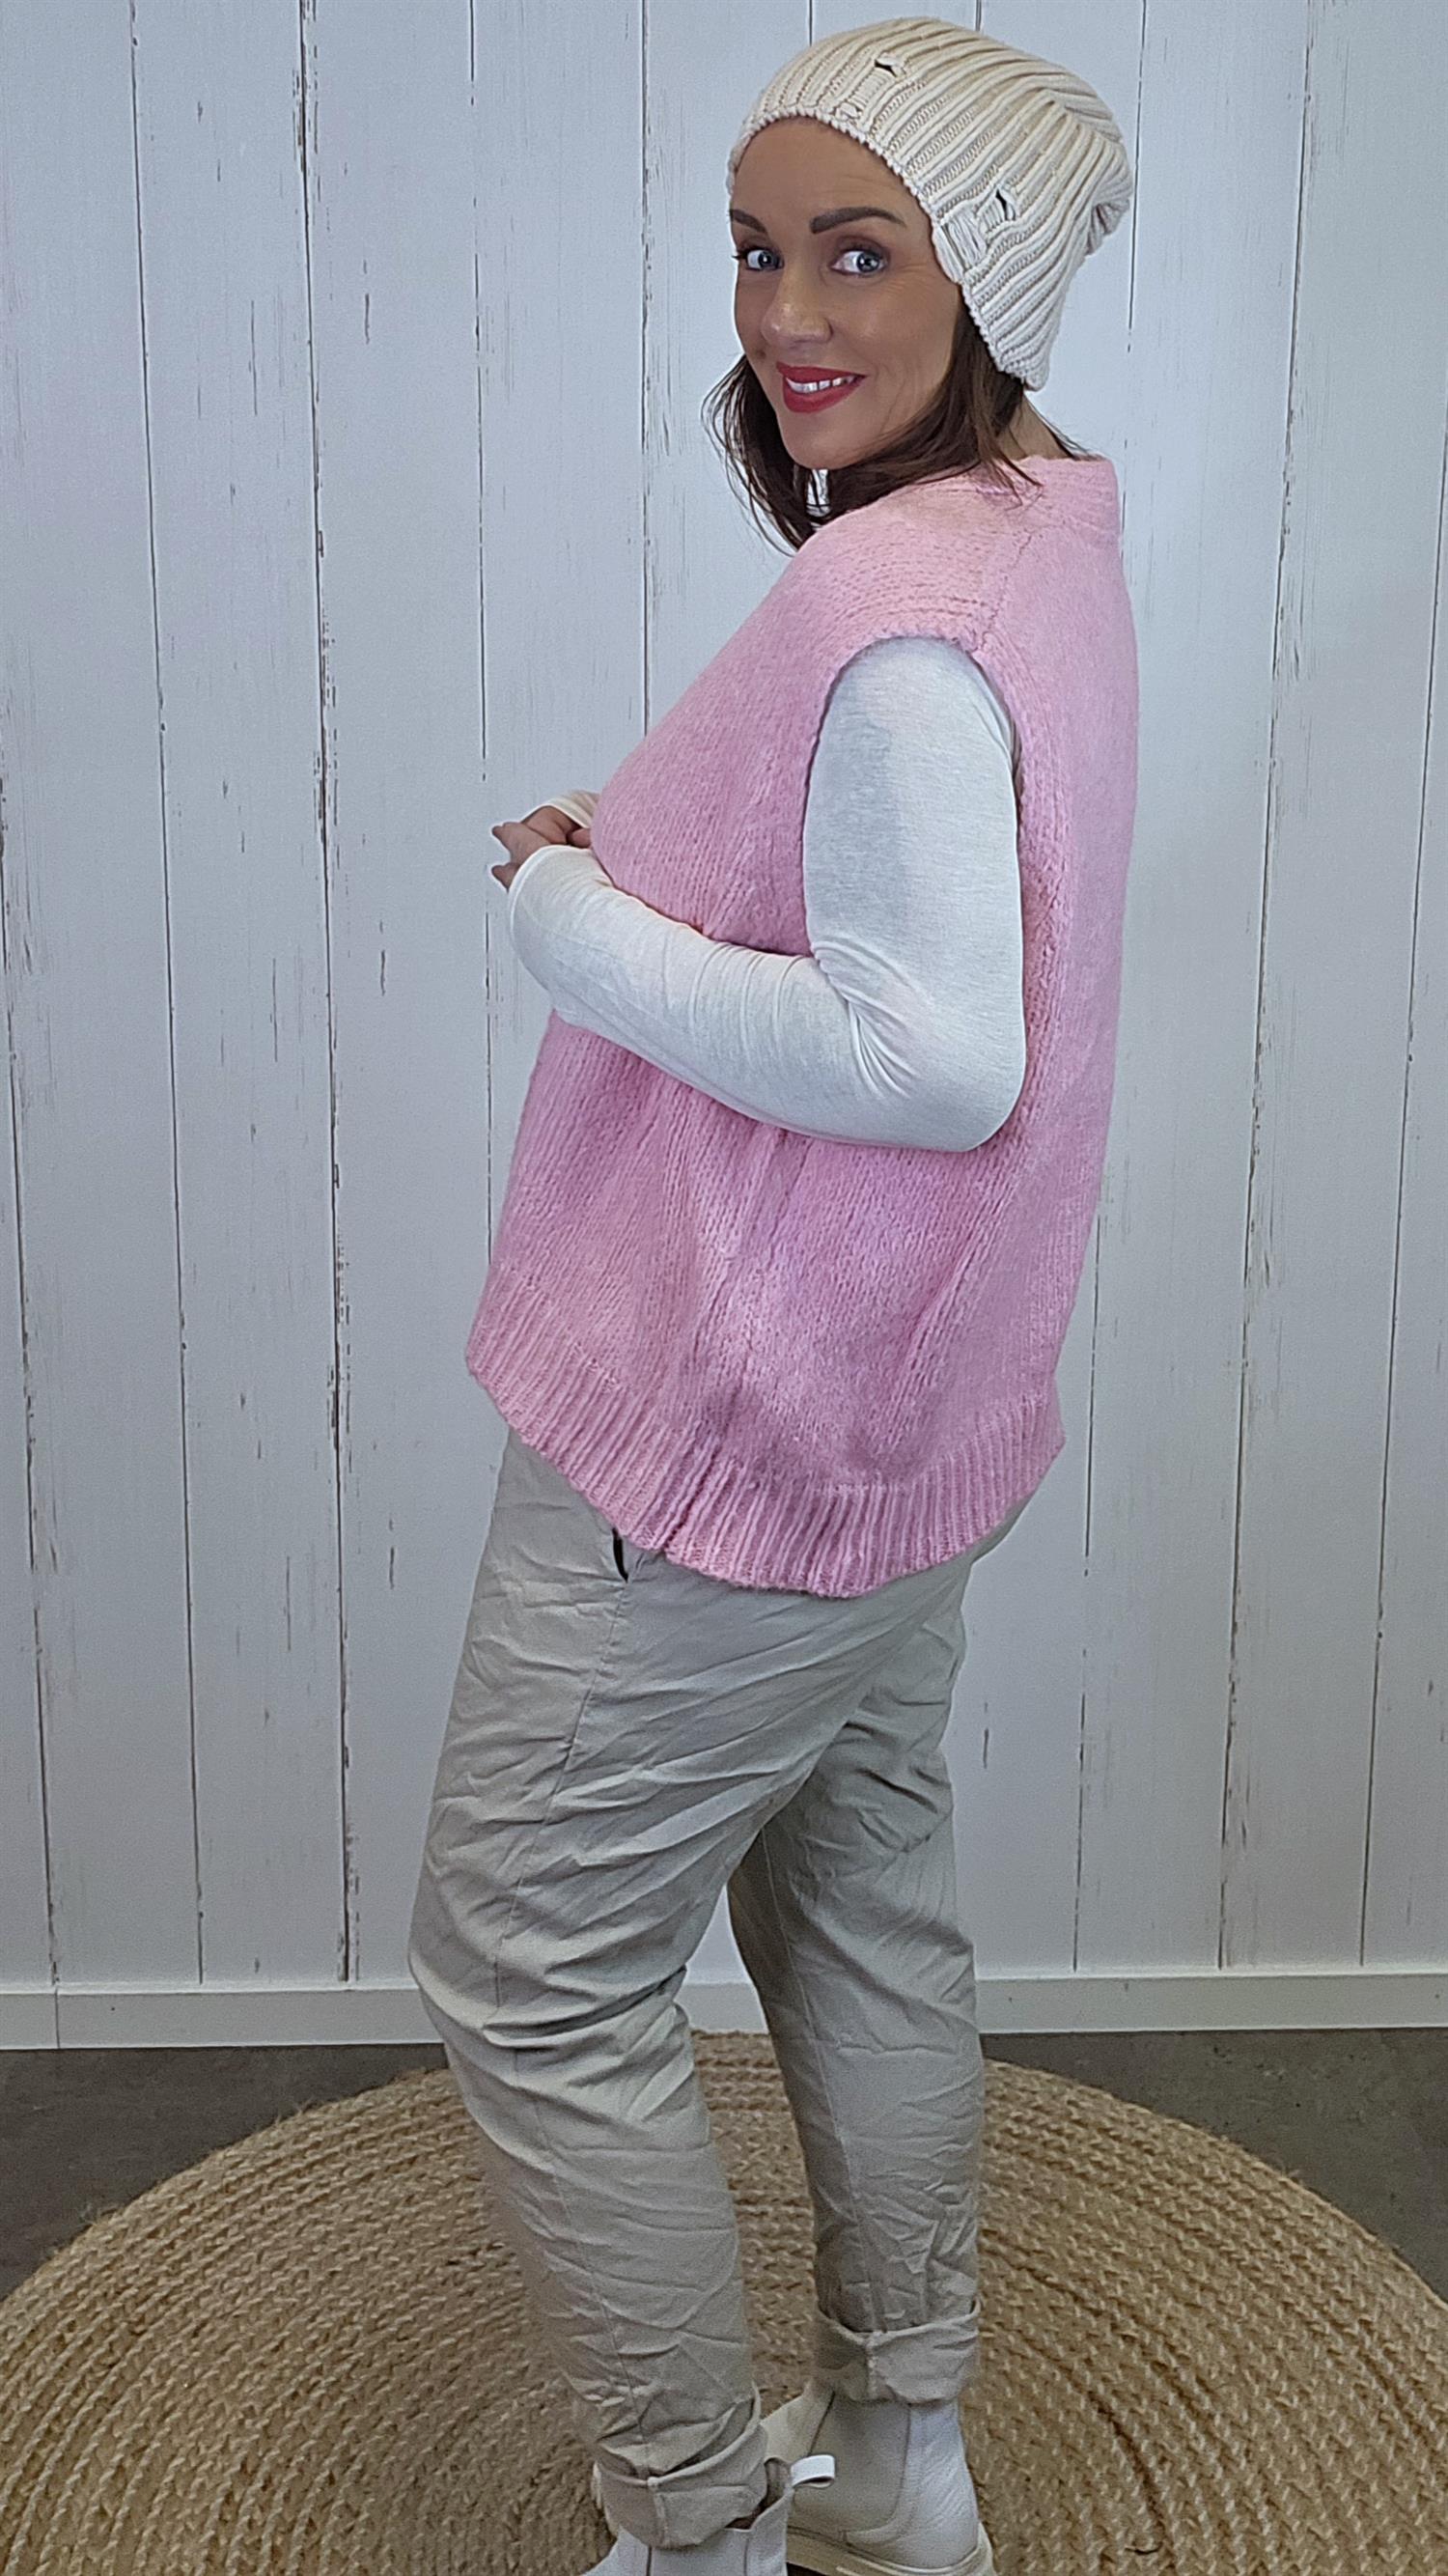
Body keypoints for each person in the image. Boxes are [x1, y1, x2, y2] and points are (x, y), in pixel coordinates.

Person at [406, 15, 1137, 2575]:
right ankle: (904, 2469)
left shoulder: (895, 606)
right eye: (756, 249)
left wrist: (561, 913)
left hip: (726, 1434)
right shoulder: (1040, 532)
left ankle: (700, 2530)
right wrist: (643, 847)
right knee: (857, 1910)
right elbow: (903, 912)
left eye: (857, 253)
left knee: (527, 1969)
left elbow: (931, 1058)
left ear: (983, 277)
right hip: (908, 1420)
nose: (787, 316)